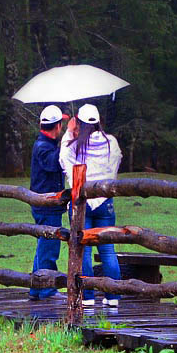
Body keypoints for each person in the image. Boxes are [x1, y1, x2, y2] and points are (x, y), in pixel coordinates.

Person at [59, 103, 122, 307]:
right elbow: (116, 161)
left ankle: (86, 297)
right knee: (108, 249)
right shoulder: (110, 141)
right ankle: (113, 297)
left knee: (83, 249)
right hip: (105, 200)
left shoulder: (75, 143)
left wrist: (69, 132)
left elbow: (64, 161)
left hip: (82, 203)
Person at [27, 104, 68, 301]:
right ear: (58, 126)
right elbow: (53, 163)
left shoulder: (44, 145)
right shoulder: (44, 147)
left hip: (45, 204)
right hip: (47, 204)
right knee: (49, 248)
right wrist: (67, 143)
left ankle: (36, 287)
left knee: (43, 245)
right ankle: (47, 289)